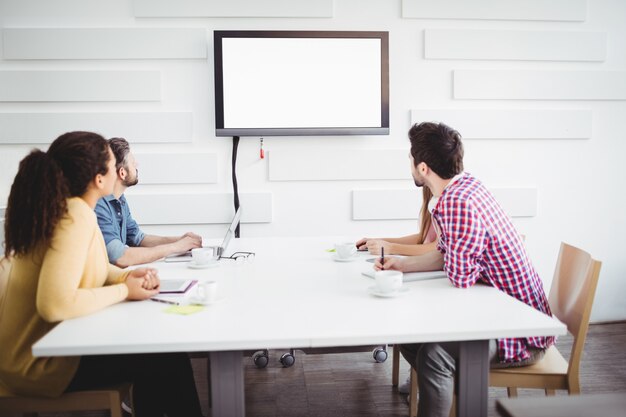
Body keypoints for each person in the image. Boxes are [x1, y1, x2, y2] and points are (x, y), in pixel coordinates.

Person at [0, 132, 202, 417]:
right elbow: (54, 303)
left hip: (30, 359)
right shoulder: (75, 216)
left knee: (159, 352)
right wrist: (123, 291)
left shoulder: (72, 210)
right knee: (164, 356)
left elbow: (95, 266)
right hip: (39, 368)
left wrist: (125, 279)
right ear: (99, 178)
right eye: (110, 160)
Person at [374, 122, 554, 417]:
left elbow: (460, 278)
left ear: (422, 168)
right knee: (410, 338)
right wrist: (404, 266)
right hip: (504, 314)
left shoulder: (456, 203)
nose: (409, 165)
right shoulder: (466, 184)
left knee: (434, 356)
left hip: (521, 333)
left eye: (410, 160)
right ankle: (437, 389)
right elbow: (448, 254)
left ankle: (440, 385)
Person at [95, 137, 202, 267]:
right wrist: (175, 247)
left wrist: (181, 241)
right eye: (133, 163)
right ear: (122, 173)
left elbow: (138, 239)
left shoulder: (120, 200)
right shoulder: (99, 205)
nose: (137, 165)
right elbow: (119, 257)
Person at [356, 187, 437, 256]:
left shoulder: (443, 199)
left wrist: (390, 248)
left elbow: (438, 248)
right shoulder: (430, 195)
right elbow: (423, 238)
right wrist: (378, 242)